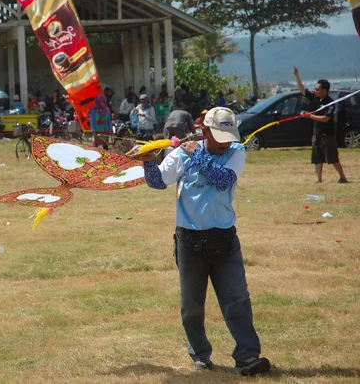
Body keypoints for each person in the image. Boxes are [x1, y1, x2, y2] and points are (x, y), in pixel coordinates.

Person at [127, 107, 271, 376]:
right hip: (189, 241)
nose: (225, 142)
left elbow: (223, 180)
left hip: (225, 240)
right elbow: (159, 182)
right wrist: (147, 161)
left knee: (237, 299)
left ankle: (248, 356)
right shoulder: (182, 153)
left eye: (228, 136)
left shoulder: (236, 152)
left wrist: (199, 153)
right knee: (192, 304)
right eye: (218, 136)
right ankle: (200, 354)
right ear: (204, 132)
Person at [293, 67, 348, 183]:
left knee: (333, 158)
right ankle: (319, 179)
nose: (315, 90)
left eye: (317, 89)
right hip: (317, 133)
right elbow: (302, 90)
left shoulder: (330, 103)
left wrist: (309, 116)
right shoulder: (314, 98)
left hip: (328, 134)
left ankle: (342, 177)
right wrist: (297, 76)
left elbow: (325, 118)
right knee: (317, 157)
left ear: (324, 90)